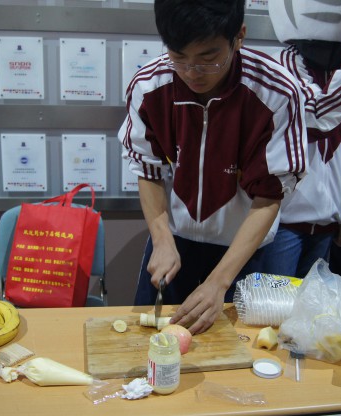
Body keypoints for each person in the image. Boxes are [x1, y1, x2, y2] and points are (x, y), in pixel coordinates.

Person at [118, 0, 306, 334]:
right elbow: (148, 170)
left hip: (243, 248)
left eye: (208, 58)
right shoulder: (150, 87)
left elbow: (269, 195)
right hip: (174, 240)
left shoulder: (276, 93)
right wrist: (161, 239)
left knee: (238, 348)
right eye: (178, 57)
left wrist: (219, 282)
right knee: (153, 340)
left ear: (239, 37)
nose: (192, 72)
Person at [263, 2, 341, 278]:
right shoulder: (283, 63)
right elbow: (318, 119)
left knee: (312, 302)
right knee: (275, 300)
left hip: (326, 222)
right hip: (283, 222)